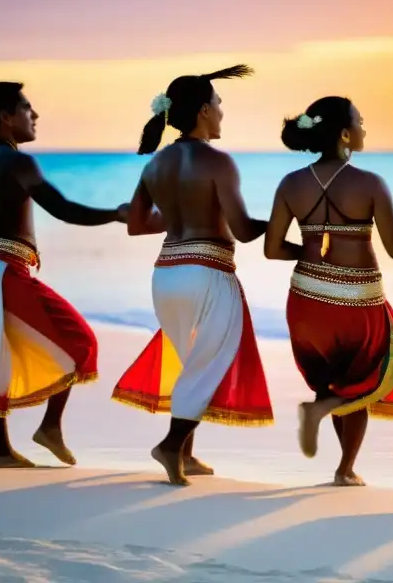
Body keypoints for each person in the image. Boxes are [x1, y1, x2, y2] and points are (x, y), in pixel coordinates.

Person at [0, 82, 128, 468]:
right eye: (28, 108)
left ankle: (0, 451)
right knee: (82, 342)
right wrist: (115, 213)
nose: (35, 115)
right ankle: (50, 428)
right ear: (7, 118)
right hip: (1, 270)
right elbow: (62, 209)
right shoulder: (18, 162)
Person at [112, 65, 274, 486]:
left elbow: (135, 224)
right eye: (219, 105)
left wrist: (185, 212)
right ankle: (170, 445)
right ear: (204, 110)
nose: (222, 113)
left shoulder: (156, 163)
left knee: (192, 361)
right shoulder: (218, 161)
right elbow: (243, 228)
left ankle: (185, 454)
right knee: (211, 361)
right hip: (207, 272)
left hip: (165, 275)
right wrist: (286, 219)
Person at [265, 96, 393, 487]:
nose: (363, 127)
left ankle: (328, 422)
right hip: (357, 300)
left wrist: (310, 252)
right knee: (359, 381)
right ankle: (344, 468)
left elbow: (272, 249)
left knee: (329, 378)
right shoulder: (371, 183)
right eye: (360, 121)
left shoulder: (291, 184)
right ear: (344, 133)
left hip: (306, 299)